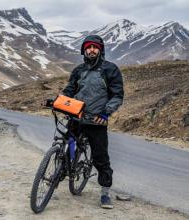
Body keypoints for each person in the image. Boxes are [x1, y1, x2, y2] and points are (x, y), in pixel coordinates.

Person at [62, 35, 124, 209]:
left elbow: (117, 95)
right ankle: (61, 172)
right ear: (84, 50)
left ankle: (105, 192)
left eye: (95, 47)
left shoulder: (110, 69)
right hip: (77, 118)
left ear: (100, 50)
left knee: (100, 158)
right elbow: (70, 90)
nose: (91, 50)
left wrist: (105, 113)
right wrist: (59, 101)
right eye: (88, 47)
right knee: (67, 145)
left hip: (97, 121)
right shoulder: (79, 70)